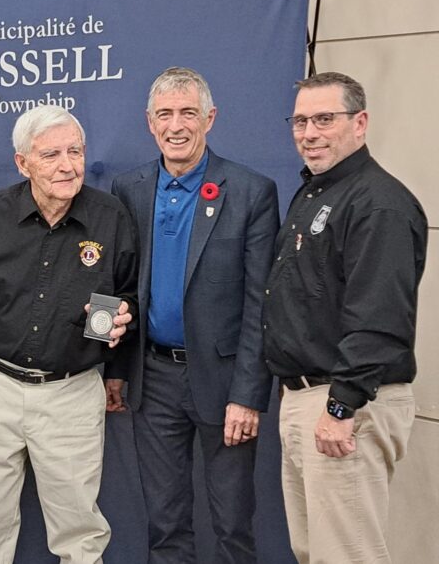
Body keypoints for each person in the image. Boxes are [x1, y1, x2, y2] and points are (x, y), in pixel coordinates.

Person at [0, 105, 137, 564]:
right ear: (22, 163)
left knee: (79, 530)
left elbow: (124, 291)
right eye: (50, 154)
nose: (67, 165)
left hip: (72, 391)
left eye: (75, 151)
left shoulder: (110, 216)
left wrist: (115, 338)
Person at [110, 67, 278, 563]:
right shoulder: (130, 189)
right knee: (165, 523)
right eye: (165, 114)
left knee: (231, 523)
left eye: (188, 112)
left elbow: (259, 304)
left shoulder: (250, 191)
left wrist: (247, 395)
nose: (176, 125)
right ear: (149, 122)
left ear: (211, 118)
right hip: (154, 379)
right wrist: (118, 372)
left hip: (224, 383)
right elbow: (120, 287)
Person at [264, 72, 426, 564]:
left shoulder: (378, 204)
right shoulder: (316, 192)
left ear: (360, 123)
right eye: (300, 121)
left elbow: (379, 320)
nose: (309, 132)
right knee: (315, 551)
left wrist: (341, 408)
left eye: (324, 119)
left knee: (348, 555)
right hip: (305, 398)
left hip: (345, 403)